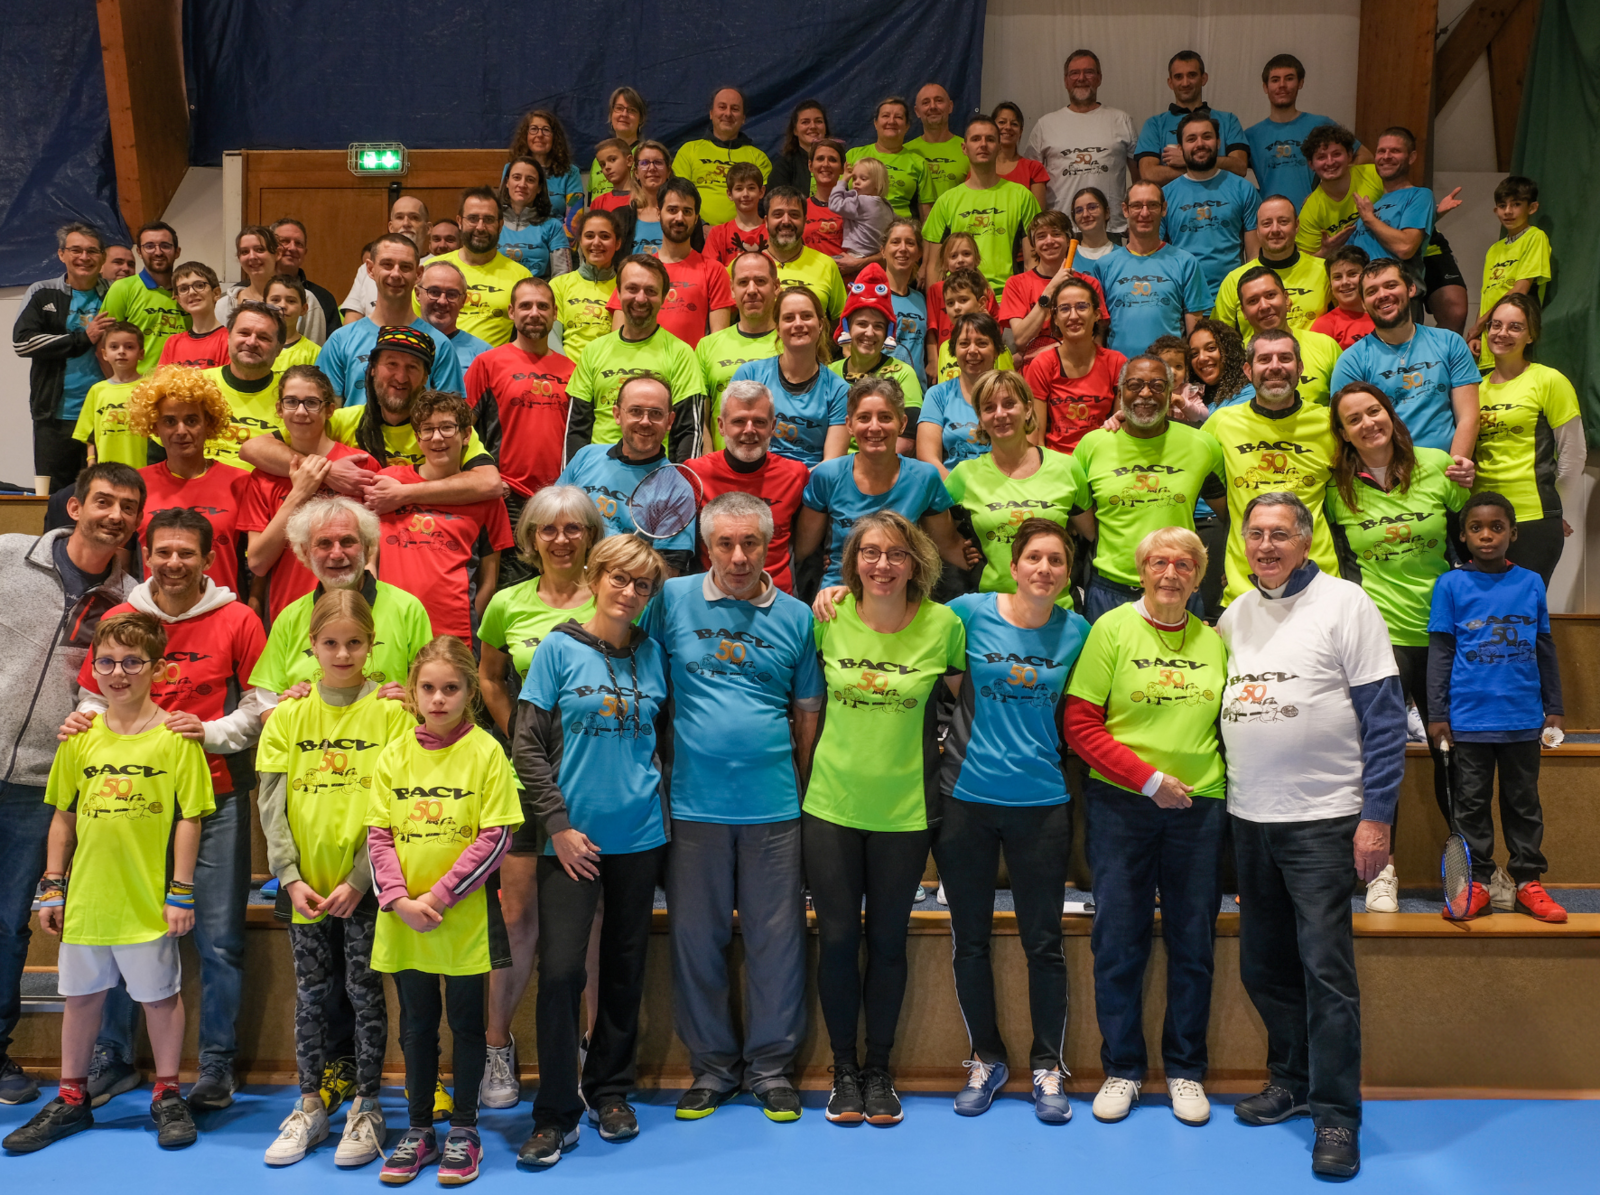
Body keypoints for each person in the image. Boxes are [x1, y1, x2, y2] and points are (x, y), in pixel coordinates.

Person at [1218, 491, 1406, 1181]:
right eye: (1256, 534)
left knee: (1327, 971)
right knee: (1263, 965)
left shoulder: (1345, 604)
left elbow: (1385, 721)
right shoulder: (1235, 613)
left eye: (1280, 534)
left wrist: (1376, 815)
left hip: (1325, 819)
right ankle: (1291, 1081)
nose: (1266, 545)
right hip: (1248, 818)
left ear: (1305, 540)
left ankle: (1336, 1113)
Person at [60, 506, 265, 1112]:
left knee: (221, 940)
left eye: (187, 553)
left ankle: (217, 1067)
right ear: (145, 555)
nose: (174, 563)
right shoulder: (121, 616)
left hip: (216, 794)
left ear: (209, 558)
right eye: (163, 552)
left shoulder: (238, 618)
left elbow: (260, 706)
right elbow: (94, 697)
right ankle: (115, 1058)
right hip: (132, 803)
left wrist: (207, 732)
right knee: (122, 931)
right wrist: (83, 719)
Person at [0, 612, 212, 1154]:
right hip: (88, 900)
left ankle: (167, 1094)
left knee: (160, 999)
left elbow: (190, 817)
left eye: (133, 662)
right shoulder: (79, 737)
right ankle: (72, 1099)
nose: (119, 672)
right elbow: (63, 817)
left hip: (146, 901)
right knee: (82, 998)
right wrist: (52, 885)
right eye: (108, 662)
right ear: (93, 669)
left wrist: (180, 890)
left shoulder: (176, 737)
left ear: (157, 668)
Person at [641, 493, 820, 1123]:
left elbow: (806, 714)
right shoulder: (670, 601)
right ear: (707, 545)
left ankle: (771, 1070)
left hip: (774, 807)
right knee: (697, 941)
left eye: (751, 544)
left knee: (779, 942)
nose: (739, 557)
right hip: (692, 807)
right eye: (725, 544)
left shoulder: (798, 616)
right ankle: (713, 1069)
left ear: (770, 543)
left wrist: (796, 787)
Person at [514, 535, 671, 1167]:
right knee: (560, 975)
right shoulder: (556, 647)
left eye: (643, 586)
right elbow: (526, 745)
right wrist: (556, 826)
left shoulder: (655, 654)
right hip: (571, 841)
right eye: (620, 580)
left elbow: (661, 743)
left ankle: (610, 1090)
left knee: (626, 969)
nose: (629, 593)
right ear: (595, 576)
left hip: (641, 836)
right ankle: (555, 1111)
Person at [804, 512, 965, 1126]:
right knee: (841, 940)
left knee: (889, 943)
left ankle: (880, 1071)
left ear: (916, 561)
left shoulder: (944, 626)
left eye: (896, 553)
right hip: (831, 807)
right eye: (870, 553)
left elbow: (964, 697)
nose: (882, 564)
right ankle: (843, 1071)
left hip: (906, 810)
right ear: (853, 562)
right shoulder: (828, 617)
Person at [1065, 526, 1228, 1127]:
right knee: (1119, 939)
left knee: (1193, 941)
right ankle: (1123, 1069)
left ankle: (1185, 1071)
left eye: (1184, 563)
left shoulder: (1215, 640)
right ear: (1141, 571)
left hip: (1201, 807)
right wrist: (1148, 781)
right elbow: (1081, 726)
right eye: (1158, 562)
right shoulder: (1111, 630)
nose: (1170, 573)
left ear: (1198, 575)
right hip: (1122, 805)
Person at [924, 519, 1085, 1121]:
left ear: (1067, 575)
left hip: (1042, 803)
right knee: (971, 939)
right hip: (965, 799)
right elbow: (905, 625)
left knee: (1043, 944)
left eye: (1057, 561)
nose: (1044, 569)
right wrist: (835, 594)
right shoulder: (967, 611)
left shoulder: (1079, 631)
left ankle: (1048, 1066)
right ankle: (986, 1058)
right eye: (1034, 558)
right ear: (1013, 566)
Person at [0, 464, 144, 1108]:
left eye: (127, 507)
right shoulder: (8, 556)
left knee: (8, 924)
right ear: (75, 504)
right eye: (104, 502)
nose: (114, 515)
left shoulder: (129, 600)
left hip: (39, 781)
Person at [255, 590, 408, 1166]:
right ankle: (310, 1105)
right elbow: (270, 804)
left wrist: (362, 878)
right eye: (330, 643)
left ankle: (367, 1106)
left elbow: (396, 802)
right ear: (311, 646)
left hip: (365, 886)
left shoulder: (395, 714)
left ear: (372, 645)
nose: (342, 653)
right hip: (305, 887)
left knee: (365, 994)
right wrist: (289, 877)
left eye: (355, 643)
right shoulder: (288, 716)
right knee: (311, 997)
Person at [366, 636, 521, 1185]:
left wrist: (438, 896)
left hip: (460, 919)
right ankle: (418, 1129)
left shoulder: (487, 752)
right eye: (428, 688)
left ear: (469, 693)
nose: (438, 698)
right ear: (412, 692)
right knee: (416, 1026)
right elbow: (379, 835)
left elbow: (496, 835)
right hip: (403, 919)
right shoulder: (392, 756)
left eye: (450, 688)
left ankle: (464, 1128)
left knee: (464, 1022)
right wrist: (400, 900)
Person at [475, 487, 602, 1112]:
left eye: (574, 528)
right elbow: (490, 676)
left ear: (589, 535)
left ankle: (590, 1049)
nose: (560, 540)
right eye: (548, 530)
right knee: (519, 921)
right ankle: (499, 1047)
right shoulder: (505, 603)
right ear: (530, 538)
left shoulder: (610, 598)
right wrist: (516, 734)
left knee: (592, 927)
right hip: (525, 782)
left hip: (595, 780)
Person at [1326, 381, 1469, 911]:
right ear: (1343, 434)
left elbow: (1476, 529)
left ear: (1390, 414)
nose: (1368, 423)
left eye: (1374, 411)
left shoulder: (1437, 466)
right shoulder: (1336, 489)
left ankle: (1468, 866)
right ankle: (1380, 871)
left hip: (1443, 634)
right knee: (1377, 757)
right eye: (1354, 419)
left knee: (1453, 755)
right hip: (1379, 639)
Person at [1427, 492, 1567, 924]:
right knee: (1471, 804)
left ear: (1513, 533)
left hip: (1523, 719)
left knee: (1523, 802)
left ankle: (1528, 881)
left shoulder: (1530, 583)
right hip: (1469, 720)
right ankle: (1478, 883)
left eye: (1496, 527)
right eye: (1476, 528)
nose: (1486, 536)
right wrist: (1437, 713)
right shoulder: (1450, 585)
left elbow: (1544, 646)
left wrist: (1554, 705)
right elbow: (1441, 651)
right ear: (1464, 536)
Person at [1075, 356, 1225, 620]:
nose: (1145, 393)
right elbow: (1083, 522)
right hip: (1110, 589)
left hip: (1178, 587)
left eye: (1157, 385)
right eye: (1134, 385)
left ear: (1170, 393)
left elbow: (1228, 513)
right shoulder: (1092, 446)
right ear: (1120, 393)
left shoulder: (1203, 446)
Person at [1203, 330, 1339, 604]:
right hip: (1246, 588)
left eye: (1285, 358)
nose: (1275, 366)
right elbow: (1176, 454)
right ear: (1248, 369)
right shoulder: (1221, 423)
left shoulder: (1329, 423)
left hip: (1319, 584)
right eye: (1264, 359)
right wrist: (1121, 423)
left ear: (1300, 368)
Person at [249, 496, 433, 697]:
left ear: (367, 546)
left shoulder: (407, 609)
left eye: (347, 541)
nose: (336, 554)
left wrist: (414, 702)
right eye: (324, 543)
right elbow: (266, 705)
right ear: (305, 551)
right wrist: (288, 705)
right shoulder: (289, 617)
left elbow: (433, 690)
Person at [797, 377, 966, 590]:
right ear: (849, 425)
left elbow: (948, 546)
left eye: (885, 417)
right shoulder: (827, 475)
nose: (874, 427)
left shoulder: (924, 477)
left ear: (902, 423)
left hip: (900, 593)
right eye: (864, 418)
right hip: (838, 595)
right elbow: (802, 550)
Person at [374, 392, 514, 644]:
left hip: (454, 632)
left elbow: (488, 582)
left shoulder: (487, 499)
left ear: (466, 435)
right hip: (389, 627)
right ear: (417, 438)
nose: (437, 438)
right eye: (427, 430)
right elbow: (369, 557)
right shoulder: (389, 480)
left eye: (447, 428)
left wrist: (470, 628)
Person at [945, 370, 1094, 606]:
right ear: (980, 418)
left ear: (1027, 409)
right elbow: (940, 536)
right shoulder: (963, 476)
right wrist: (961, 552)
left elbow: (1091, 535)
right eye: (989, 408)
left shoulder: (1067, 468)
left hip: (1057, 607)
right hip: (991, 608)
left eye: (1009, 404)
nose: (1000, 414)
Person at [239, 365, 374, 622]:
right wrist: (299, 492)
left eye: (311, 403)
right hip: (291, 613)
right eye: (291, 402)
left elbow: (375, 548)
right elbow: (257, 561)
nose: (301, 412)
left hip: (354, 612)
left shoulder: (360, 466)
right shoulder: (262, 476)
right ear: (279, 409)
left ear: (329, 409)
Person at [466, 277, 575, 580]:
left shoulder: (572, 370)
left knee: (555, 583)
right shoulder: (486, 363)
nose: (534, 312)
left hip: (557, 498)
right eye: (525, 305)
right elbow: (464, 432)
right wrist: (484, 476)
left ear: (555, 314)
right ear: (512, 312)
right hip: (507, 497)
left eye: (543, 306)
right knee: (509, 586)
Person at [1474, 294, 1583, 587]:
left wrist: (1553, 510)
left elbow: (1573, 456)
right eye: (1495, 325)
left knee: (1522, 616)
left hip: (1533, 520)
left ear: (1531, 334)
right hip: (1481, 519)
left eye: (1515, 327)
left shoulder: (1549, 381)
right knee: (1484, 615)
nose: (1502, 333)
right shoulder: (1474, 388)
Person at [1329, 258, 1479, 456]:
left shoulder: (1450, 342)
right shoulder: (1352, 361)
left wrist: (1454, 470)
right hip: (1386, 476)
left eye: (1391, 285)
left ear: (1411, 289)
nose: (1383, 295)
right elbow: (1349, 431)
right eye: (1372, 291)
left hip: (1447, 471)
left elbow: (1468, 418)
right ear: (1364, 304)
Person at [565, 254, 706, 459]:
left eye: (650, 291)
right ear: (619, 293)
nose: (641, 298)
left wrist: (681, 484)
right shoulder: (593, 351)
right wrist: (574, 481)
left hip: (657, 477)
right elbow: (576, 429)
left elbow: (689, 432)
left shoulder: (681, 353)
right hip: (596, 475)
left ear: (664, 297)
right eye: (632, 289)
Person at [125, 367, 251, 595]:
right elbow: (121, 561)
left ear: (208, 423)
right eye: (170, 421)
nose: (181, 431)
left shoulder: (240, 482)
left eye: (191, 420)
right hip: (153, 618)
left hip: (223, 615)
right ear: (154, 426)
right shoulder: (137, 483)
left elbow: (258, 563)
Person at [557, 374, 698, 575]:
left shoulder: (678, 491)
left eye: (656, 414)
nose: (645, 421)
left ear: (670, 421)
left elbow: (665, 576)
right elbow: (551, 519)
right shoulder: (585, 456)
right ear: (617, 414)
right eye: (635, 411)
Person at [684, 381, 811, 594]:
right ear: (721, 426)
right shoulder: (693, 474)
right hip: (713, 597)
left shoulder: (796, 475)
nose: (749, 430)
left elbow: (805, 545)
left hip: (776, 599)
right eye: (739, 421)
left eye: (759, 422)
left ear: (773, 426)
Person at [14, 223, 110, 494]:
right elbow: (22, 343)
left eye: (92, 251)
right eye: (76, 250)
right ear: (61, 254)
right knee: (56, 496)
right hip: (55, 415)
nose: (84, 257)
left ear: (102, 257)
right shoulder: (42, 292)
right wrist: (82, 338)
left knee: (104, 493)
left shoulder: (114, 293)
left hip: (106, 414)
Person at [319, 233, 465, 406]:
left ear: (418, 274)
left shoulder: (439, 344)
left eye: (405, 267)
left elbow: (449, 416)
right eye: (387, 265)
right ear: (370, 269)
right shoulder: (340, 341)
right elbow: (327, 415)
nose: (396, 274)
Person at [1081, 181, 1209, 357]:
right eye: (1137, 206)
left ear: (1164, 209)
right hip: (1120, 373)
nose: (1145, 213)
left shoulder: (1186, 262)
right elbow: (1098, 330)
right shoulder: (1104, 266)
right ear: (1125, 210)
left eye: (1153, 205)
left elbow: (1195, 333)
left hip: (1169, 373)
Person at [605, 178, 733, 348]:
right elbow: (618, 337)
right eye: (672, 210)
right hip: (641, 369)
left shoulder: (714, 270)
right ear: (659, 213)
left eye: (687, 212)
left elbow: (718, 341)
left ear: (696, 219)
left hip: (691, 370)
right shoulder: (636, 270)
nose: (679, 218)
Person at [732, 285, 850, 467]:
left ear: (820, 325)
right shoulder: (750, 375)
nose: (798, 323)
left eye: (806, 316)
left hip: (811, 485)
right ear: (778, 328)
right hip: (755, 478)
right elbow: (737, 443)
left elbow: (831, 464)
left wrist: (792, 484)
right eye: (788, 318)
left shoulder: (839, 391)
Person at [923, 117, 1042, 293]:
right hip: (960, 299)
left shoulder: (1022, 196)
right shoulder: (946, 201)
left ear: (1000, 147)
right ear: (964, 148)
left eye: (991, 139)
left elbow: (1032, 260)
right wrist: (938, 311)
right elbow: (934, 266)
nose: (983, 144)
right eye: (976, 139)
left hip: (1006, 299)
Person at [1027, 49, 1136, 229]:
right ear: (1065, 81)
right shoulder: (1045, 125)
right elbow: (1031, 183)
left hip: (1112, 229)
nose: (1081, 78)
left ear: (1099, 78)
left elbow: (1139, 181)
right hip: (1060, 230)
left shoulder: (1121, 120)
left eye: (1089, 72)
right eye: (1074, 73)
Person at [1244, 54, 1369, 211]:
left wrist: (1330, 186)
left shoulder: (1320, 124)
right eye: (1275, 80)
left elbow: (1365, 156)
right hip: (1273, 221)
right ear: (1265, 87)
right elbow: (1232, 173)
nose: (1282, 85)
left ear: (1300, 83)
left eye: (1289, 78)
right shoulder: (1251, 135)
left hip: (1316, 215)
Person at [1159, 113, 1261, 297]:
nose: (1200, 144)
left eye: (1207, 137)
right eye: (1191, 139)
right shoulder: (1165, 195)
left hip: (1232, 298)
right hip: (1184, 299)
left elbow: (1254, 255)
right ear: (1181, 148)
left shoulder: (1243, 189)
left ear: (1218, 142)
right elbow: (1157, 256)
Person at [1024, 278, 1126, 452]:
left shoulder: (1117, 362)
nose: (1073, 316)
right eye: (1064, 309)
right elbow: (1035, 436)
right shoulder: (1042, 364)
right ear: (1055, 318)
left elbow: (1121, 428)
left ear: (1097, 314)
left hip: (1103, 459)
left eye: (1081, 307)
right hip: (1057, 464)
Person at [425, 187, 532, 347]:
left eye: (488, 220)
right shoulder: (431, 269)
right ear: (460, 222)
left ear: (500, 225)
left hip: (492, 369)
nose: (480, 227)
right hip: (436, 365)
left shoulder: (521, 276)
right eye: (473, 218)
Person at [1211, 197, 1330, 335]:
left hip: (1313, 355)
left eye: (1283, 222)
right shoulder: (1234, 280)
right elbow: (1221, 339)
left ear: (1297, 225)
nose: (1275, 229)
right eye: (1267, 224)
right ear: (1257, 230)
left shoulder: (1325, 272)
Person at [1470, 176, 1551, 370]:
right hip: (1490, 338)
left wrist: (1481, 323)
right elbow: (1487, 294)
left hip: (1515, 335)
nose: (1508, 211)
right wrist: (1477, 334)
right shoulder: (1494, 250)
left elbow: (1520, 290)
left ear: (1532, 208)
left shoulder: (1535, 237)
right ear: (1495, 210)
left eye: (1516, 204)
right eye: (1502, 205)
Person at [697, 252, 780, 439]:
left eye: (760, 281)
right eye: (743, 282)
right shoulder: (707, 346)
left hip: (777, 463)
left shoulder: (791, 344)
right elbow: (701, 421)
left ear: (776, 286)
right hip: (722, 464)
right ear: (732, 289)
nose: (752, 290)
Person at [1234, 266, 1342, 408]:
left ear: (1286, 299)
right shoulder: (1234, 356)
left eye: (1270, 295)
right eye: (1253, 301)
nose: (1264, 306)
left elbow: (1347, 405)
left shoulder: (1326, 346)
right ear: (1244, 312)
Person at [1135, 51, 1248, 185]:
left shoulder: (1228, 120)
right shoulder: (1154, 125)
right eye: (1178, 77)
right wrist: (1206, 166)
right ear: (1170, 82)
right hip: (1172, 204)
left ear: (1203, 78)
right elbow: (1149, 174)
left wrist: (1188, 160)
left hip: (1222, 202)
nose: (1185, 83)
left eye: (1192, 75)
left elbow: (1240, 167)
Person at [199, 302, 289, 468]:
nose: (251, 342)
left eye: (263, 337)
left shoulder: (292, 396)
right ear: (229, 337)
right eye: (244, 333)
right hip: (198, 487)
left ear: (279, 349)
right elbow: (161, 451)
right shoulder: (197, 385)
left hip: (265, 491)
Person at [1000, 210, 1092, 365]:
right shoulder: (1016, 284)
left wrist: (1048, 350)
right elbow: (1021, 339)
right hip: (1032, 374)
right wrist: (1050, 289)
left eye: (1056, 234)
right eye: (1041, 236)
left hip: (1077, 370)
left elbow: (1093, 339)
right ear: (1033, 245)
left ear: (1068, 240)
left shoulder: (1088, 284)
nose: (1049, 241)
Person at [1346, 128, 1434, 288]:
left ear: (1411, 157)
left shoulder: (1419, 195)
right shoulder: (1373, 205)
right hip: (1365, 296)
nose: (1386, 157)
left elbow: (1405, 247)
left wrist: (1369, 219)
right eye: (1381, 151)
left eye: (1395, 151)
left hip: (1397, 295)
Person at [918, 313, 1005, 474]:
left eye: (982, 343)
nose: (972, 350)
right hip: (952, 492)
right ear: (954, 350)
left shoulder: (1012, 394)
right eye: (964, 344)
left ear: (996, 350)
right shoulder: (937, 395)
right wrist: (956, 492)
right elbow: (928, 458)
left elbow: (1025, 450)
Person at [673, 87, 772, 227]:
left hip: (744, 235)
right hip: (695, 233)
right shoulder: (689, 150)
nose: (728, 113)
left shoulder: (758, 158)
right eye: (722, 107)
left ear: (743, 118)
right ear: (711, 113)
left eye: (735, 109)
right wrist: (700, 226)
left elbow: (764, 203)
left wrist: (739, 229)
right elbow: (678, 195)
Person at [100, 221, 187, 372]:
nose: (158, 252)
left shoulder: (187, 292)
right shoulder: (122, 288)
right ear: (139, 252)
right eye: (149, 246)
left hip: (181, 387)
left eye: (165, 246)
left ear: (177, 251)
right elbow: (104, 343)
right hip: (136, 388)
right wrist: (117, 385)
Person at [760, 186, 848, 324]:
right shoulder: (745, 266)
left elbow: (841, 325)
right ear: (766, 221)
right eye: (778, 214)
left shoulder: (827, 265)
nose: (786, 221)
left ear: (805, 221)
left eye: (794, 215)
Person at [1295, 125, 1383, 258]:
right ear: (1311, 164)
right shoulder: (1311, 210)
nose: (1330, 162)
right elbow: (1306, 262)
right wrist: (1327, 250)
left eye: (1336, 154)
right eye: (1321, 157)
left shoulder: (1375, 175)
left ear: (1349, 155)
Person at [339, 195, 431, 322]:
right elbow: (353, 314)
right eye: (399, 217)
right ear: (391, 226)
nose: (406, 223)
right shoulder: (367, 269)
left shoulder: (441, 266)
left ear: (428, 228)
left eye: (414, 218)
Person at [550, 207, 622, 364]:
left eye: (605, 236)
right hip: (566, 375)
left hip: (608, 374)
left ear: (617, 243)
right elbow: (552, 338)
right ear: (580, 242)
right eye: (589, 236)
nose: (596, 243)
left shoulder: (625, 289)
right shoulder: (559, 285)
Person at [73, 322, 149, 468]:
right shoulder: (97, 390)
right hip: (106, 470)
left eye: (129, 347)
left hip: (142, 468)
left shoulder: (150, 387)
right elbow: (89, 434)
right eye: (114, 347)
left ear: (141, 353)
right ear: (105, 354)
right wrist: (91, 461)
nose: (121, 351)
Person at [847, 96, 935, 221]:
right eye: (885, 116)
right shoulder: (853, 155)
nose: (891, 121)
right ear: (875, 123)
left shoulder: (918, 162)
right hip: (859, 230)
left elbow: (926, 213)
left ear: (907, 126)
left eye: (898, 117)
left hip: (900, 232)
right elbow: (835, 194)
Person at [931, 269, 1012, 383]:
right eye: (950, 303)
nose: (956, 307)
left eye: (963, 300)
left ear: (981, 303)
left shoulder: (995, 346)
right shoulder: (945, 347)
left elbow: (1009, 388)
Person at [507, 109, 584, 225]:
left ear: (555, 137)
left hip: (557, 238)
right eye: (533, 129)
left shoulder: (571, 172)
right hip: (520, 237)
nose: (539, 135)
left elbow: (575, 221)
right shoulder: (511, 169)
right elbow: (505, 213)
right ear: (525, 135)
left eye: (546, 130)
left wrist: (558, 242)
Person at [498, 156, 571, 278]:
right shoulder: (492, 223)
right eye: (516, 177)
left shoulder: (553, 226)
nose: (522, 184)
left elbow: (562, 277)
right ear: (507, 182)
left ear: (539, 188)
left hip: (538, 295)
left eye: (530, 180)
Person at [415, 259, 491, 376]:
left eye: (452, 295)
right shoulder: (396, 341)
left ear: (463, 301)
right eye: (434, 292)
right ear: (418, 294)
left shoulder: (484, 354)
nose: (442, 301)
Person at [270, 217, 339, 340]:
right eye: (284, 241)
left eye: (299, 243)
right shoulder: (246, 291)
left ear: (305, 252)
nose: (292, 248)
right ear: (270, 247)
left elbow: (334, 347)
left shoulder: (323, 298)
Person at [902, 83, 968, 201]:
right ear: (917, 111)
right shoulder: (906, 152)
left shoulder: (968, 149)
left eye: (939, 100)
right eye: (926, 102)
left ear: (950, 107)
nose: (932, 106)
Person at [703, 161, 769, 265]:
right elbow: (709, 271)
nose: (745, 194)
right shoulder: (718, 234)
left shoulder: (772, 230)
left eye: (751, 188)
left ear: (761, 192)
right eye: (739, 189)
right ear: (730, 194)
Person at [1310, 245, 1375, 349]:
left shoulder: (1384, 314)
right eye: (1337, 277)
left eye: (1352, 274)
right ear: (1330, 284)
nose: (1345, 282)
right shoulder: (1325, 325)